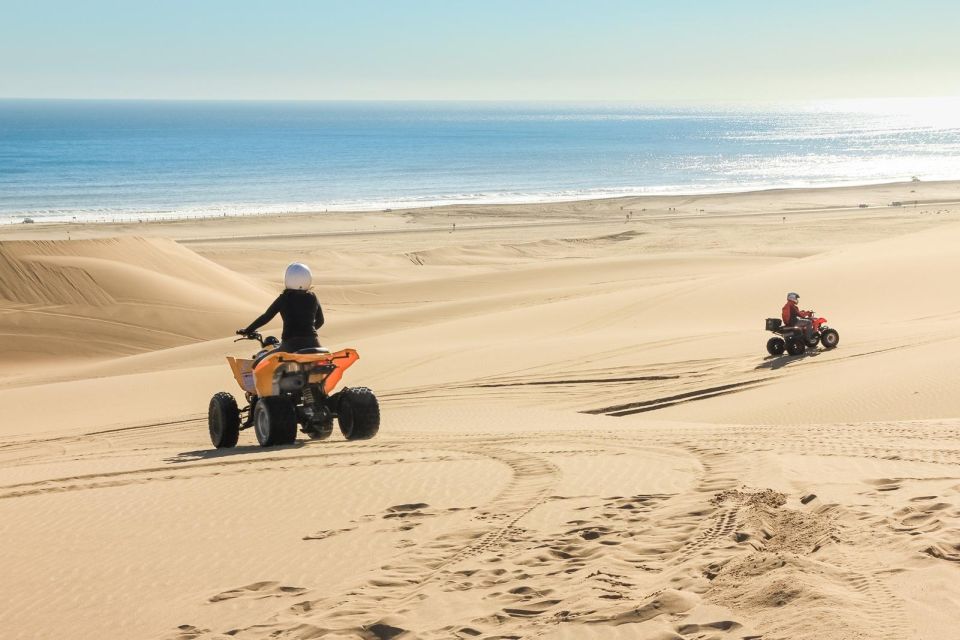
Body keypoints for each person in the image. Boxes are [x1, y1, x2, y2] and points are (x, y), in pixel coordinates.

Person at [238, 263, 324, 353]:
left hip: (290, 346)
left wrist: (248, 330)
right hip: (314, 344)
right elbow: (320, 321)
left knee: (263, 358)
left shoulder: (284, 298)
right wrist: (306, 331)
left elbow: (266, 317)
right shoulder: (313, 297)